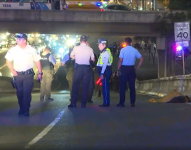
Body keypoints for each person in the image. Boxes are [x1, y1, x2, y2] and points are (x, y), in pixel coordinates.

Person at [5, 33, 42, 116]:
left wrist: (40, 73)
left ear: (24, 40)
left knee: (27, 92)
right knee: (19, 92)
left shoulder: (32, 49)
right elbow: (8, 61)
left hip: (28, 75)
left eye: (19, 39)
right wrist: (13, 71)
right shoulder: (13, 49)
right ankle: (21, 107)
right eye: (17, 39)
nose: (17, 40)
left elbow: (37, 61)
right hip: (18, 75)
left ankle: (26, 109)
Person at [68, 35, 95, 108]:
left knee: (75, 85)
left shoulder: (76, 48)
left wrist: (76, 57)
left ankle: (73, 103)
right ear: (86, 41)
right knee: (85, 86)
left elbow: (71, 56)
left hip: (78, 68)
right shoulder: (90, 49)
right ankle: (83, 104)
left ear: (80, 41)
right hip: (86, 68)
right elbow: (93, 59)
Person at [116, 37, 143, 107]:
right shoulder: (135, 50)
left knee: (122, 87)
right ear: (131, 43)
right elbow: (141, 59)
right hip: (132, 69)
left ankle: (122, 103)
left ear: (125, 43)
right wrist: (137, 67)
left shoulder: (123, 50)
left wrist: (118, 70)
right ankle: (132, 103)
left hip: (124, 69)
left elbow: (120, 60)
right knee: (132, 87)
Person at [97, 39, 113, 107]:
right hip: (105, 71)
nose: (98, 46)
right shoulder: (103, 52)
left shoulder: (106, 53)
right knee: (104, 87)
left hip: (105, 72)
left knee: (105, 88)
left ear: (104, 45)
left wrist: (102, 73)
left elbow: (105, 64)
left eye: (99, 44)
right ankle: (105, 102)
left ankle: (106, 102)